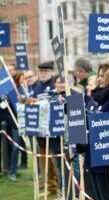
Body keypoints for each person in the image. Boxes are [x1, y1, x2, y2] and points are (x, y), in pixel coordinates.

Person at [77, 62, 109, 200]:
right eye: (99, 75)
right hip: (93, 158)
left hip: (106, 161)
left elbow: (106, 130)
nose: (100, 79)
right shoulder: (98, 99)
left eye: (104, 76)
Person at [31, 61, 59, 195]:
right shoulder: (37, 88)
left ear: (51, 72)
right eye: (40, 71)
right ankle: (50, 188)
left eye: (45, 71)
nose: (42, 74)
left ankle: (63, 188)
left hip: (53, 131)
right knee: (44, 162)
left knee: (56, 162)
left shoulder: (55, 85)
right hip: (40, 130)